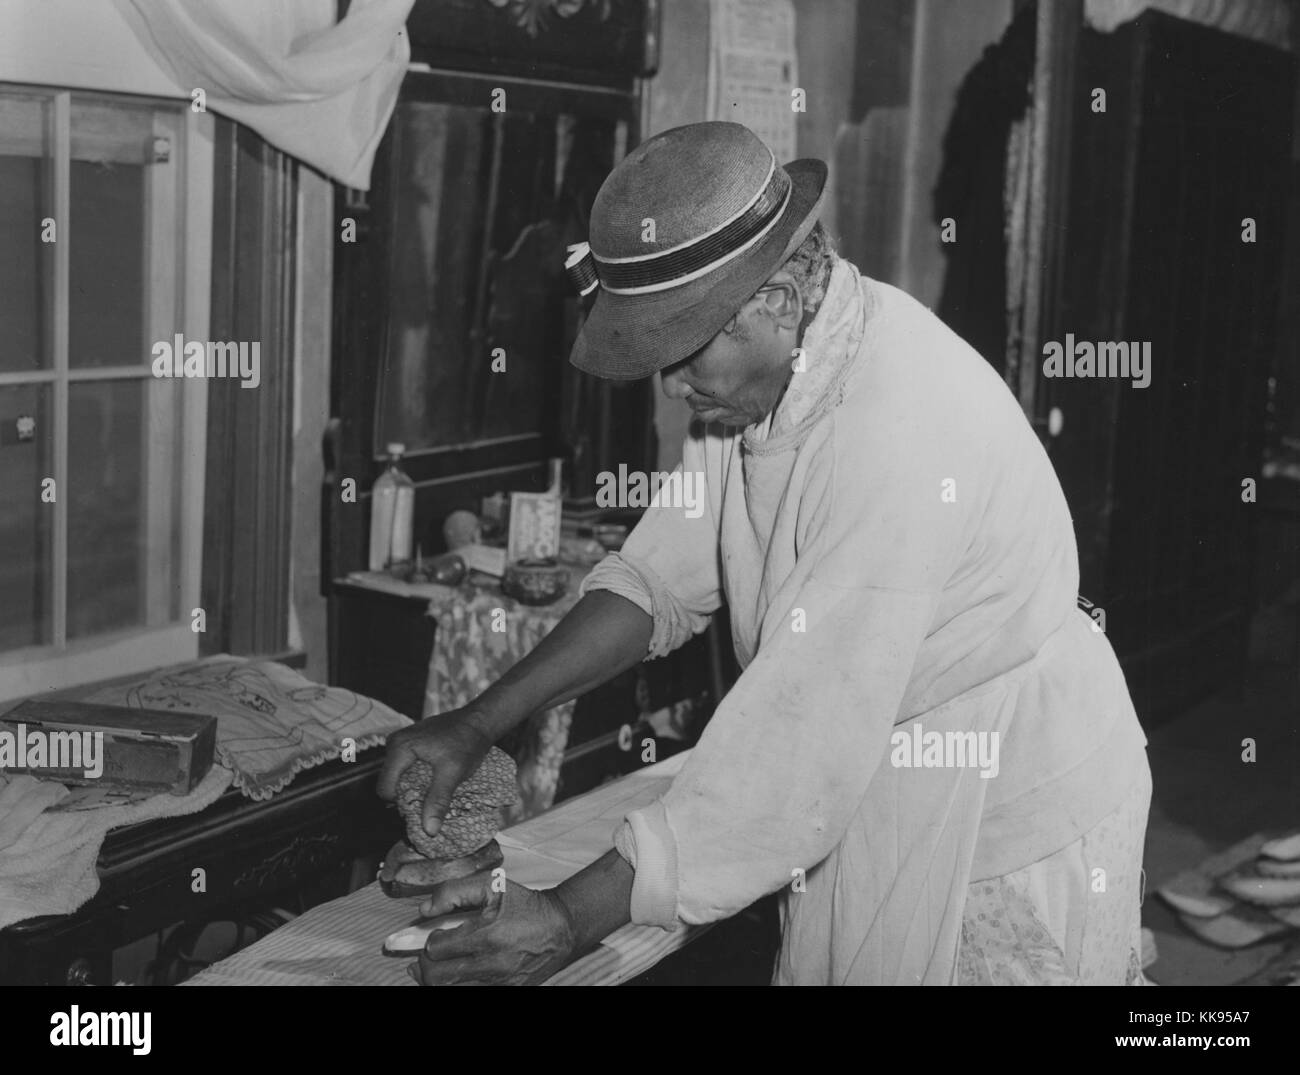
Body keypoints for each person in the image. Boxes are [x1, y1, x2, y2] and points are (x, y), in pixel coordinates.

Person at [378, 121, 1152, 986]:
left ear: (779, 299)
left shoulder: (899, 436)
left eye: (683, 352)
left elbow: (793, 764)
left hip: (1000, 811)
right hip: (872, 779)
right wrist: (481, 719)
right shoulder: (766, 377)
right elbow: (655, 581)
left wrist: (564, 918)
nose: (670, 387)